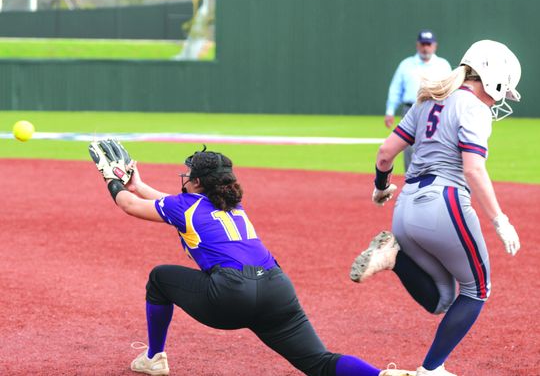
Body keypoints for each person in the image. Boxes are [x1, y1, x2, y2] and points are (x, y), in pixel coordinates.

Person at [90, 144, 413, 376]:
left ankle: (154, 357)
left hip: (230, 295)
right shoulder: (230, 205)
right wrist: (138, 184)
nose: (184, 177)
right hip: (277, 290)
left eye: (188, 174)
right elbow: (167, 202)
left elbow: (130, 206)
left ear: (198, 183)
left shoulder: (185, 206)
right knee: (319, 362)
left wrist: (111, 179)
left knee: (160, 278)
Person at [350, 40, 522, 376]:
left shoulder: (427, 101)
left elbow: (385, 153)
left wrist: (381, 187)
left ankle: (394, 256)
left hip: (405, 208)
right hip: (444, 203)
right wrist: (500, 221)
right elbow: (473, 169)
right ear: (492, 79)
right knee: (478, 290)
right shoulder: (475, 107)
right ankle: (432, 370)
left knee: (444, 300)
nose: (499, 98)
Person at [384, 30, 452, 171]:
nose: (425, 47)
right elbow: (396, 88)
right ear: (417, 45)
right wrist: (390, 111)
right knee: (408, 145)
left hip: (436, 108)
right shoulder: (406, 64)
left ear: (435, 46)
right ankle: (410, 179)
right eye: (423, 44)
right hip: (411, 108)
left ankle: (433, 177)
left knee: (436, 144)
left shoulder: (443, 65)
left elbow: (450, 89)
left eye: (428, 44)